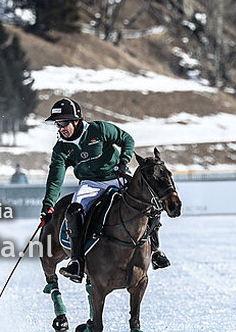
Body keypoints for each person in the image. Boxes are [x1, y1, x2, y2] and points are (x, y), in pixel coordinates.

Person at [40, 97, 170, 283]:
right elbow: (55, 179)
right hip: (90, 184)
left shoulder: (99, 129)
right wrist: (48, 206)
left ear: (76, 121)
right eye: (58, 124)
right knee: (74, 211)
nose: (61, 128)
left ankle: (155, 250)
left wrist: (123, 162)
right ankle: (76, 261)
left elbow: (127, 140)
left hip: (116, 176)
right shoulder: (61, 148)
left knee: (148, 202)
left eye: (63, 123)